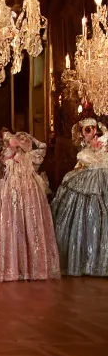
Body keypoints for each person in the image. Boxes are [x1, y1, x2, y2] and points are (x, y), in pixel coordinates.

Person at [0, 131, 60, 281]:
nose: (21, 142)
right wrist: (10, 143)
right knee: (12, 225)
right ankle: (14, 266)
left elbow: (42, 147)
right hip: (12, 191)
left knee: (31, 224)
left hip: (29, 191)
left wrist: (25, 140)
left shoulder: (31, 156)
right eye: (18, 140)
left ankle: (33, 266)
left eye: (23, 140)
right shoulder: (6, 156)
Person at [51, 118, 108, 276]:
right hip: (88, 177)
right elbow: (85, 158)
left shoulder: (103, 141)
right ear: (82, 133)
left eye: (94, 129)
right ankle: (85, 259)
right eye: (87, 130)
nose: (92, 132)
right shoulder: (83, 150)